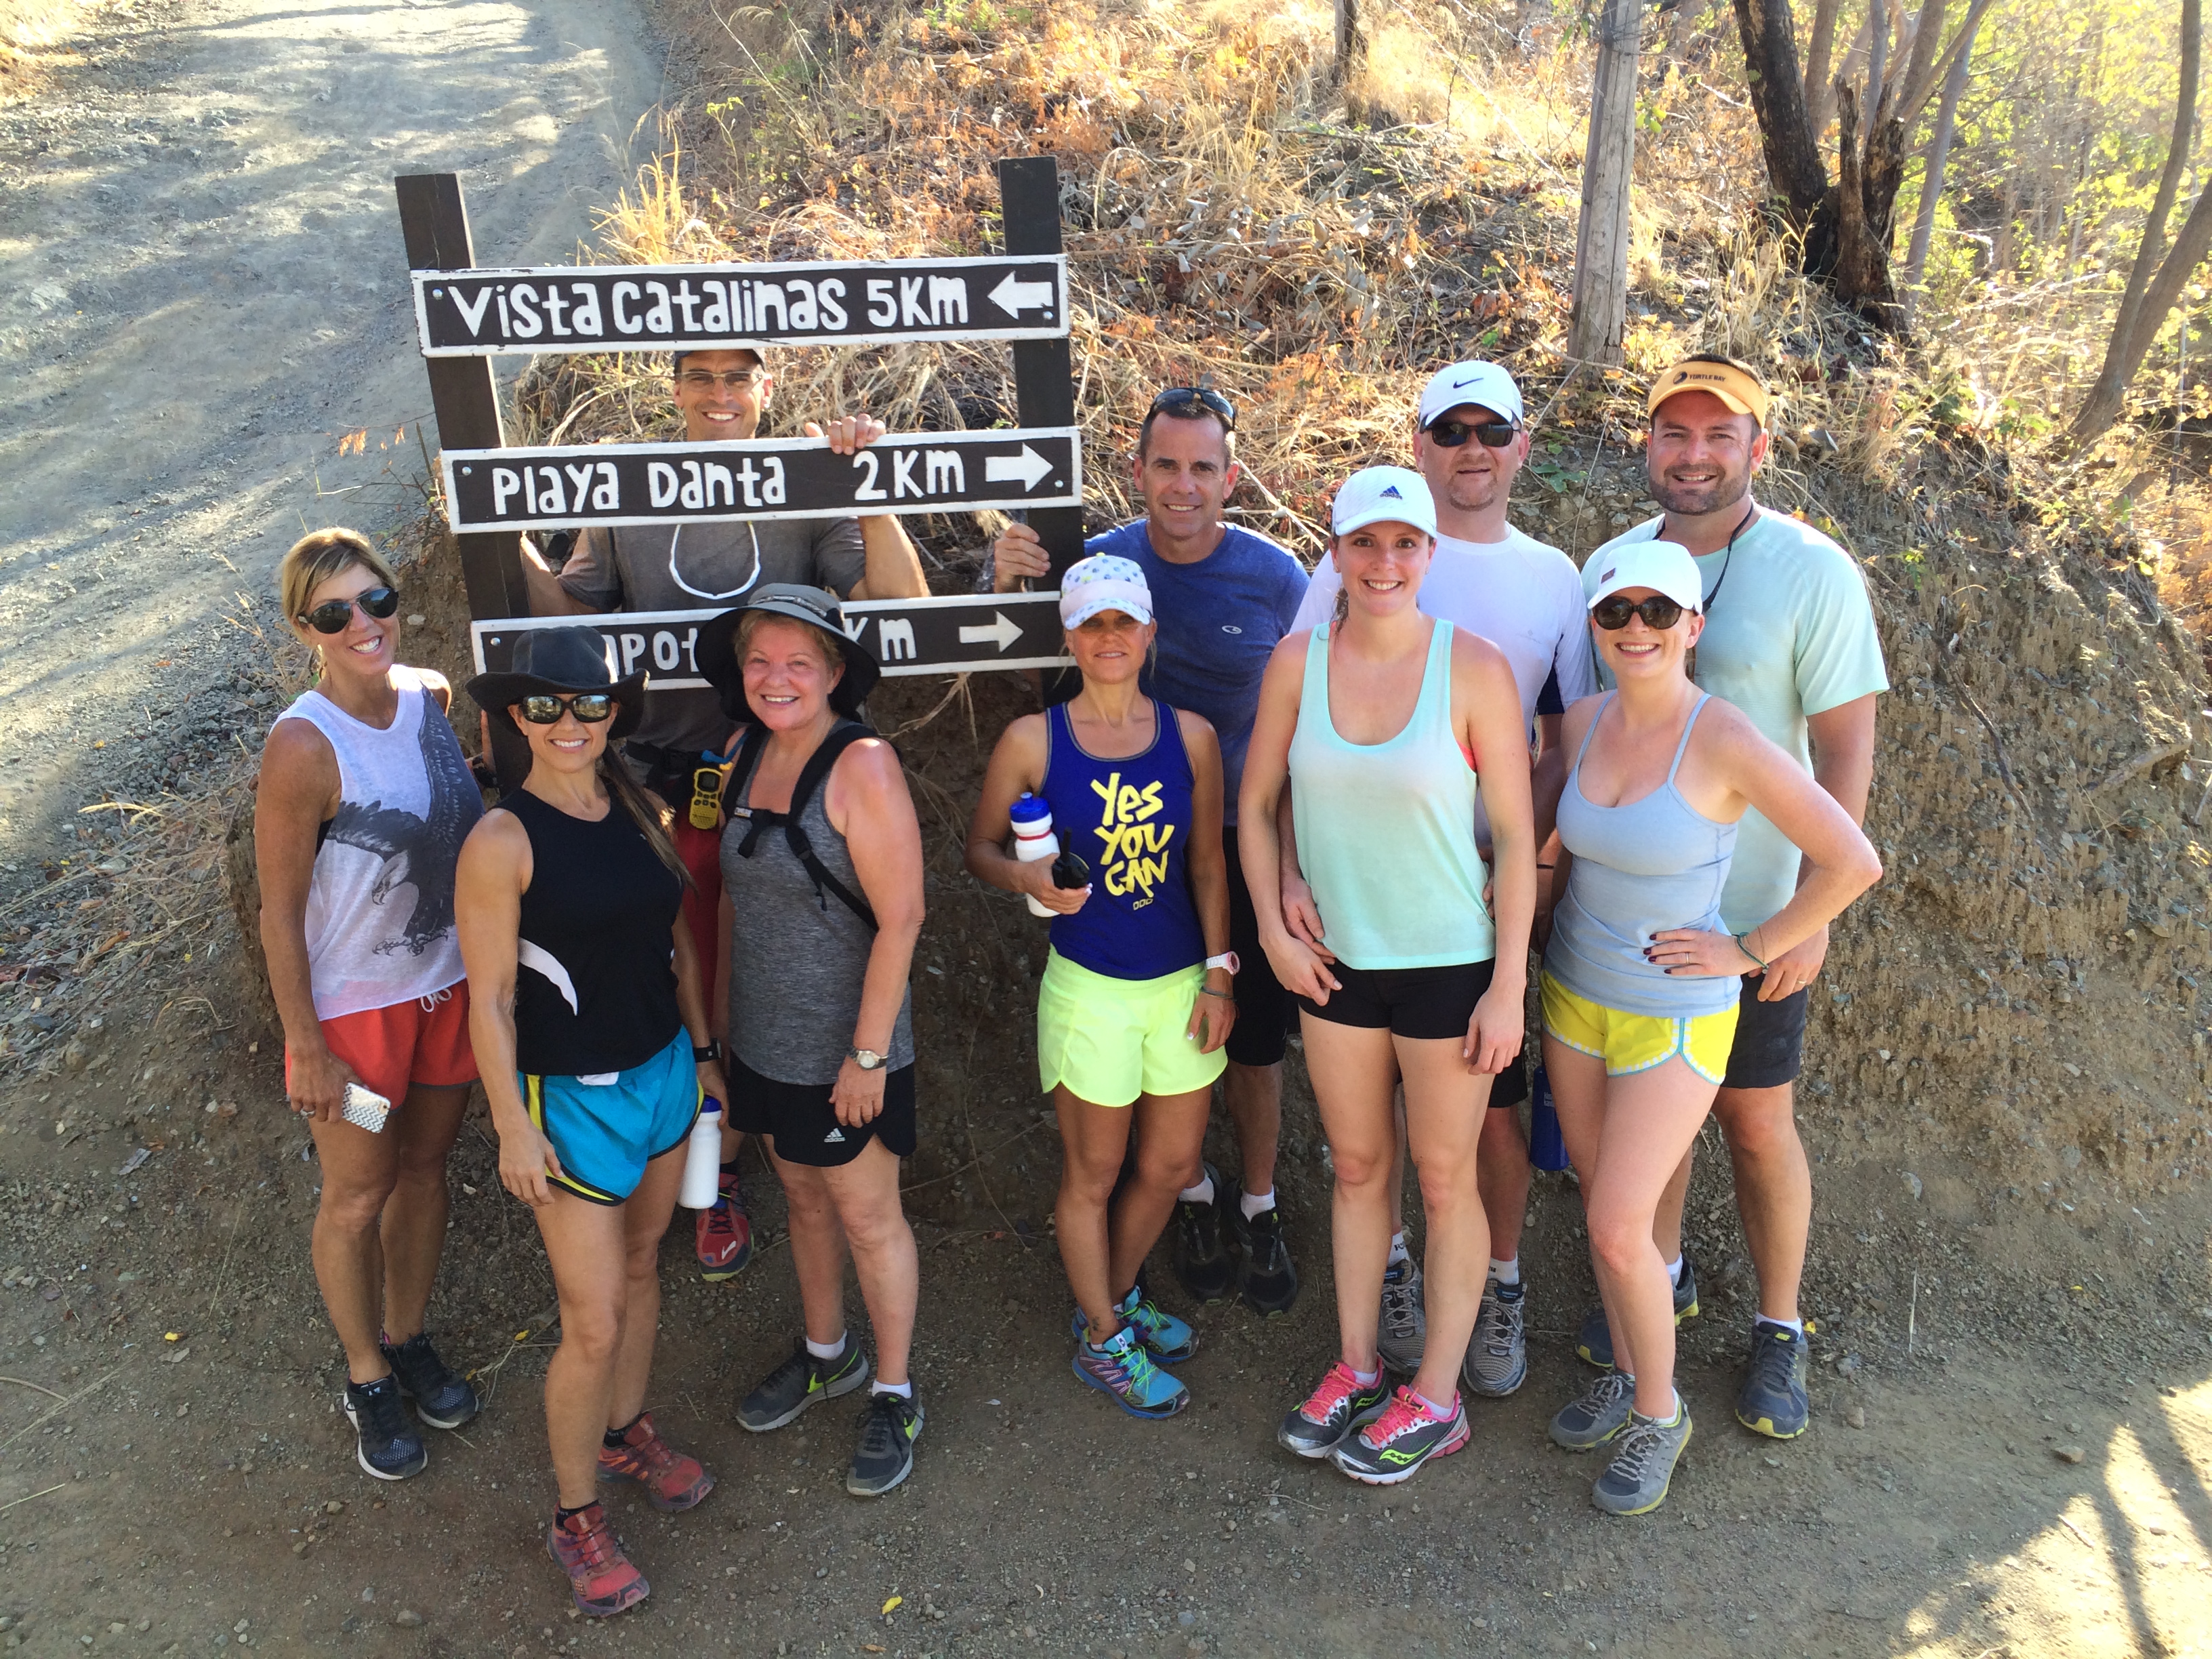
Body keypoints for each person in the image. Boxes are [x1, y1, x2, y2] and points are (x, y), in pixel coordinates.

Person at [523, 346, 930, 1284]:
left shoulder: (805, 476)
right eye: (699, 378)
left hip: (759, 783)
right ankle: (658, 1157)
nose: (718, 395)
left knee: (744, 968)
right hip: (641, 784)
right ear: (672, 388)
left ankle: (728, 1171)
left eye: (736, 378)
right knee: (660, 970)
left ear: (768, 387)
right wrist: (498, 532)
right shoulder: (629, 488)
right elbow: (571, 625)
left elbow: (897, 603)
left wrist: (866, 483)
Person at [1580, 355, 1889, 1441]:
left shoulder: (1811, 570)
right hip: (1637, 926)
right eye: (1676, 434)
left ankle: (1778, 1327)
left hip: (1753, 919)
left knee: (1756, 1124)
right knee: (1644, 1134)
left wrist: (1800, 923)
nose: (1695, 454)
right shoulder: (1626, 566)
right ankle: (1655, 1294)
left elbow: (1845, 747)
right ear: (1650, 446)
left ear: (1758, 448)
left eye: (1721, 435)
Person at [1540, 541, 1881, 1514]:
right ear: (1597, 630)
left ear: (1694, 626)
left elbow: (1852, 860)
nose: (1635, 629)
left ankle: (1660, 1413)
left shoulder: (1723, 736)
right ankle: (1631, 1376)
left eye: (1659, 611)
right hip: (1573, 995)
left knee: (1615, 1224)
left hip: (1676, 1016)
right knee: (1613, 1209)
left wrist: (1753, 945)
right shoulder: (1584, 718)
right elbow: (1562, 840)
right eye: (1616, 614)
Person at [1288, 361, 1595, 1399]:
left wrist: (1536, 874)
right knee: (1374, 1157)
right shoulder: (1341, 576)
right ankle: (1391, 1309)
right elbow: (1290, 751)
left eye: (1490, 430)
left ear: (1518, 445)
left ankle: (1495, 1296)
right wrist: (1286, 878)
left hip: (1472, 918)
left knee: (1481, 1135)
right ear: (1419, 446)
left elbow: (1568, 742)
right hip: (1358, 909)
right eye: (1450, 429)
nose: (1471, 446)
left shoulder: (1554, 577)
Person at [1241, 468, 1536, 1486]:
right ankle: (1360, 1364)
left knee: (1449, 1183)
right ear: (1335, 553)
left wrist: (1508, 988)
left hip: (1450, 966)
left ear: (1430, 554)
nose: (1385, 563)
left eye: (1405, 543)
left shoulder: (1475, 668)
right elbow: (1256, 807)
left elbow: (1517, 838)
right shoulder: (1296, 662)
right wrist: (1278, 919)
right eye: (1365, 543)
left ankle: (1438, 1398)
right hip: (1337, 965)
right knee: (1361, 1170)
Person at [992, 388, 1309, 1317]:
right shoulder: (1104, 567)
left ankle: (1258, 1199)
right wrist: (1002, 573)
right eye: (1165, 465)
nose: (1183, 485)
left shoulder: (1276, 577)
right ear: (1136, 473)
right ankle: (1192, 1193)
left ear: (1231, 478)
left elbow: (1316, 710)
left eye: (1203, 467)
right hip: (1126, 834)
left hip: (1238, 835)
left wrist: (1292, 852)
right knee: (1150, 1023)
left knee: (1246, 1036)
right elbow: (1038, 679)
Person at [454, 628, 723, 1617]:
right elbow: (488, 1002)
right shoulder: (502, 840)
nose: (572, 723)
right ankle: (577, 1516)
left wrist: (700, 1057)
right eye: (548, 706)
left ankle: (625, 1431)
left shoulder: (641, 809)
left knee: (647, 1267)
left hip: (660, 1076)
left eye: (592, 704)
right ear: (518, 715)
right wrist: (510, 1131)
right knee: (593, 1315)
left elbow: (677, 944)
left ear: (614, 712)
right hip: (566, 1099)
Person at [964, 556, 1237, 1419]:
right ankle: (1106, 1336)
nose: (1109, 638)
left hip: (1181, 984)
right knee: (1095, 1172)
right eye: (1092, 624)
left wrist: (1222, 973)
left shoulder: (1189, 736)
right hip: (1089, 988)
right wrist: (1027, 884)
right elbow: (981, 849)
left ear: (1150, 632)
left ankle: (1107, 1316)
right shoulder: (1033, 740)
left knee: (1170, 1165)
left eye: (1125, 622)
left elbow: (1207, 862)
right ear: (1069, 638)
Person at [255, 528, 485, 1483]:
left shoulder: (432, 699)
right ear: (306, 628)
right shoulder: (304, 744)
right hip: (358, 1026)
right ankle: (366, 1376)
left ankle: (408, 1335)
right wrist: (305, 1045)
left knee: (426, 1169)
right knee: (359, 1190)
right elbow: (277, 909)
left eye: (376, 600)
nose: (365, 624)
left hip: (448, 996)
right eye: (336, 613)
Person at [697, 587, 929, 1498]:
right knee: (801, 1200)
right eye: (760, 661)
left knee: (870, 1218)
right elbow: (729, 902)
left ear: (834, 672)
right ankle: (826, 1352)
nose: (777, 678)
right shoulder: (742, 749)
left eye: (800, 663)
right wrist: (717, 1035)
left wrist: (867, 1057)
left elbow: (904, 918)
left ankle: (896, 1389)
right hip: (761, 1044)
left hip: (847, 1055)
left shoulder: (862, 765)